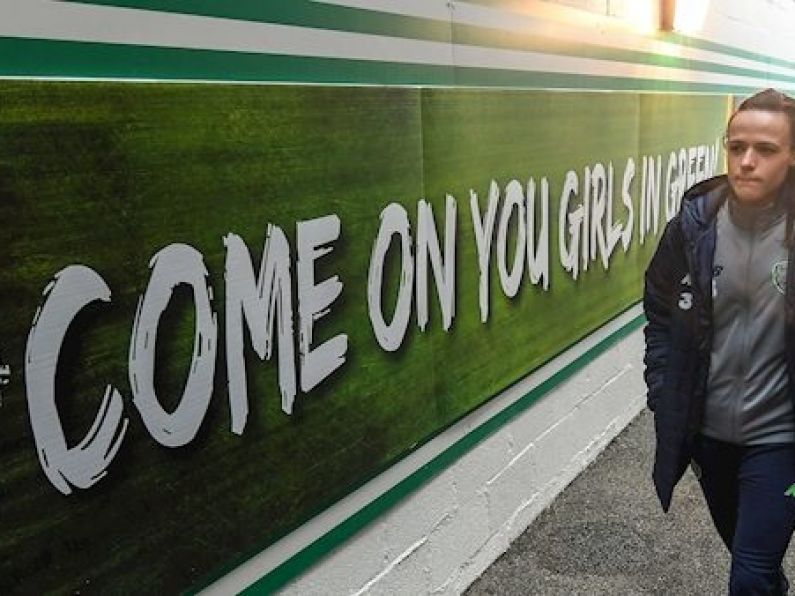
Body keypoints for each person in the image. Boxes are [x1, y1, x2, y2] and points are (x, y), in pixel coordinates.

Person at [644, 87, 795, 595]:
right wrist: (664, 390)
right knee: (753, 563)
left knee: (749, 575)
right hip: (709, 438)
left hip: (781, 440)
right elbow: (661, 312)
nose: (747, 162)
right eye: (737, 147)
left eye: (766, 150)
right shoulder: (693, 228)